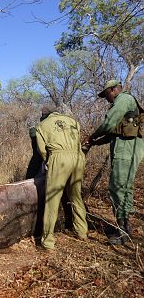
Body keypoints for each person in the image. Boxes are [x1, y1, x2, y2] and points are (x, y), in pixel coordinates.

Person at [83, 80, 144, 245]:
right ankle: (124, 227)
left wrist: (91, 136)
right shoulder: (124, 102)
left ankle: (122, 231)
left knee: (117, 187)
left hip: (127, 148)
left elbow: (109, 124)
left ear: (113, 90)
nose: (106, 98)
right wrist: (95, 142)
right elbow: (112, 133)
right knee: (124, 188)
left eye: (106, 95)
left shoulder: (123, 99)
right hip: (128, 147)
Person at [36, 105, 88, 252]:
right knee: (76, 196)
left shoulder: (42, 125)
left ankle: (47, 241)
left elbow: (41, 150)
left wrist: (50, 161)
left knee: (52, 200)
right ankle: (82, 231)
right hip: (78, 158)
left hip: (59, 158)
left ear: (45, 115)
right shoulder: (73, 121)